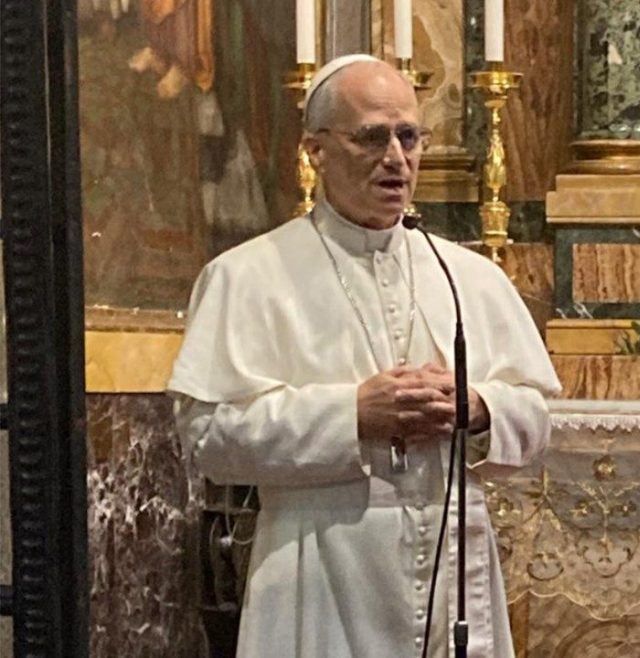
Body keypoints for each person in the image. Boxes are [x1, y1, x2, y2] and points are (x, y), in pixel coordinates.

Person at [168, 54, 561, 658]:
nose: (396, 158)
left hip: (452, 567)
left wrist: (478, 408)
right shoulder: (247, 276)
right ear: (316, 150)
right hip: (315, 570)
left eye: (409, 137)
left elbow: (537, 419)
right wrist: (353, 414)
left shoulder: (468, 277)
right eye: (372, 138)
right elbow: (208, 438)